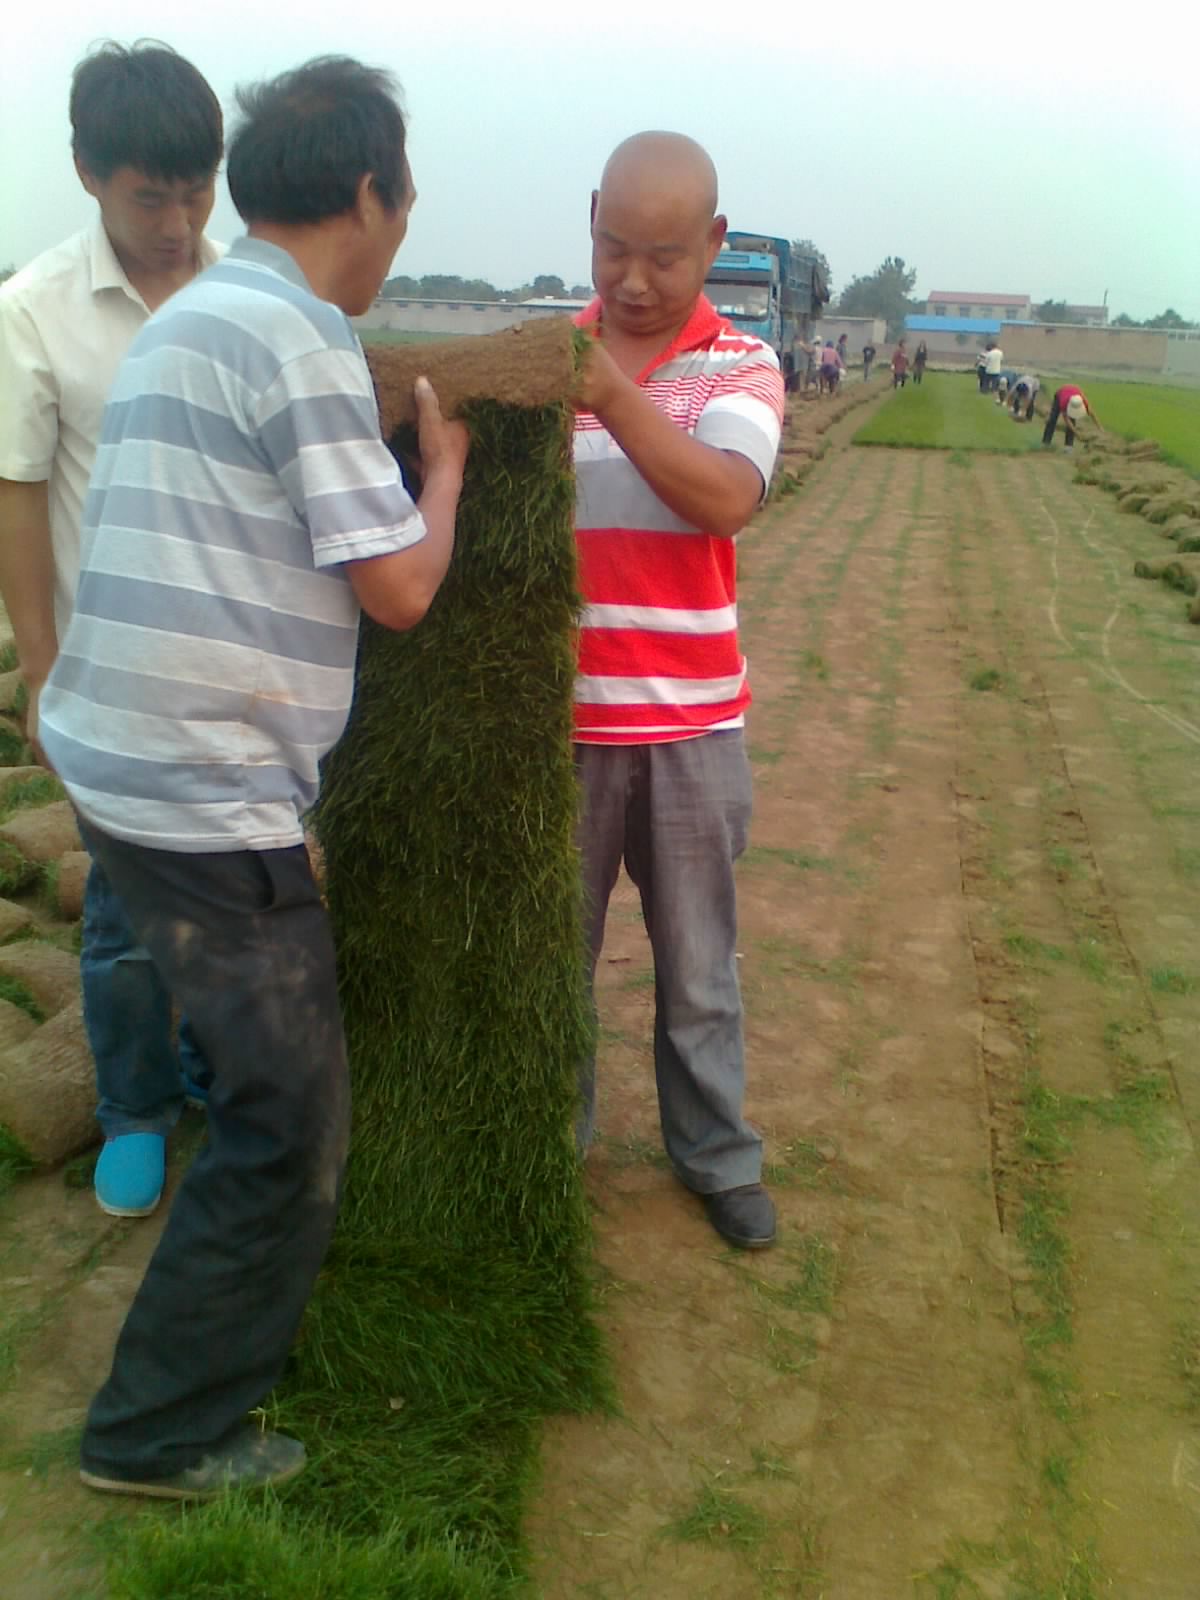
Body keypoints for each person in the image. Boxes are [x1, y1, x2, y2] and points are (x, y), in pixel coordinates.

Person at [39, 55, 469, 1500]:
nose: (399, 229)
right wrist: (449, 469)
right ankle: (155, 1437)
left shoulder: (190, 317)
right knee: (291, 1121)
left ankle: (195, 1356)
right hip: (196, 791)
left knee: (251, 1073)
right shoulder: (294, 336)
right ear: (368, 192)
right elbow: (403, 589)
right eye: (401, 203)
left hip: (115, 767)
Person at [0, 42, 226, 1221]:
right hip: (110, 682)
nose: (180, 221)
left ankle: (208, 1078)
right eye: (153, 196)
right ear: (88, 170)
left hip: (231, 682)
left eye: (198, 191)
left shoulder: (241, 294)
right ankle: (137, 1106)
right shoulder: (35, 314)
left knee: (233, 904)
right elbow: (19, 495)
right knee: (127, 921)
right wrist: (42, 674)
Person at [572, 130, 783, 1251]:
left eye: (665, 256)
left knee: (698, 966)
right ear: (591, 219)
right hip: (558, 728)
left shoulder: (740, 366)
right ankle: (546, 1152)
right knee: (551, 959)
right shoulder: (542, 360)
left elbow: (724, 496)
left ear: (712, 243)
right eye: (615, 250)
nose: (635, 281)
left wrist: (608, 391)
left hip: (693, 726)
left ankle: (714, 1155)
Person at [1042, 383, 1099, 448]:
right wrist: (1077, 433)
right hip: (1060, 394)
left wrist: (1099, 427)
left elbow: (1092, 414)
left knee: (1072, 420)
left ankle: (1068, 446)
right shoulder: (1063, 402)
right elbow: (1067, 421)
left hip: (1074, 391)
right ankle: (1046, 442)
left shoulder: (1082, 400)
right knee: (1052, 419)